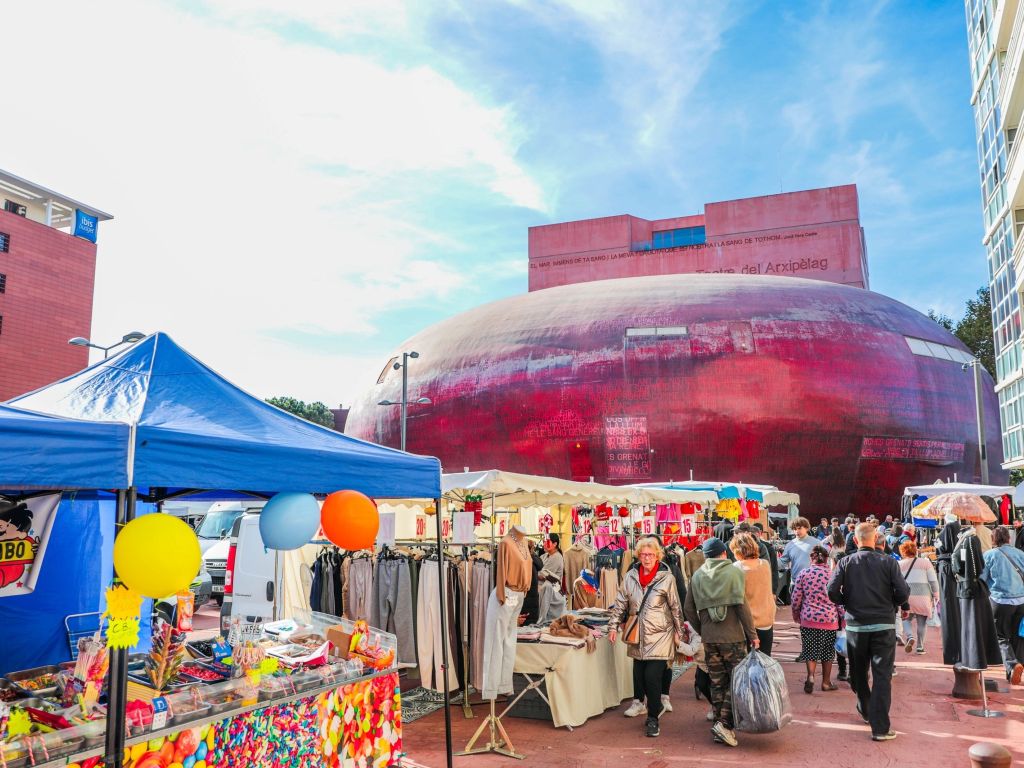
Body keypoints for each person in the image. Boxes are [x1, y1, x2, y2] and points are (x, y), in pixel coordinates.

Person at [827, 523, 910, 742]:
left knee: (858, 672)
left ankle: (865, 708)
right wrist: (893, 603)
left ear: (855, 540)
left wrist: (847, 602)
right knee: (882, 675)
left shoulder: (846, 562)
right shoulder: (889, 563)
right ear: (875, 539)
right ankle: (880, 727)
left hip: (856, 626)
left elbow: (831, 590)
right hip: (883, 625)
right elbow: (902, 592)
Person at [684, 537, 758, 748]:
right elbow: (742, 606)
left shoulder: (697, 575)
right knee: (737, 682)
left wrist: (702, 629)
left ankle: (719, 723)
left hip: (709, 638)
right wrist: (752, 634)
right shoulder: (734, 572)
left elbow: (688, 609)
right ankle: (725, 725)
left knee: (717, 683)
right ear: (724, 553)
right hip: (733, 636)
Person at [610, 536, 684, 738]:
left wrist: (680, 631)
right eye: (643, 554)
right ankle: (652, 706)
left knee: (652, 677)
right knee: (640, 676)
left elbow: (675, 607)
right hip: (637, 635)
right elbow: (620, 603)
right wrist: (613, 626)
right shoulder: (630, 576)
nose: (647, 558)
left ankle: (653, 719)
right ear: (638, 556)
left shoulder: (666, 577)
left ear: (658, 555)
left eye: (651, 554)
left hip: (661, 634)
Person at [792, 545, 842, 693]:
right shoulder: (833, 574)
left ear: (811, 558)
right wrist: (842, 618)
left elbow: (796, 598)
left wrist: (796, 614)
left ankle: (811, 677)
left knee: (810, 650)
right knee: (827, 653)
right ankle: (826, 683)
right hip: (830, 619)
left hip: (809, 618)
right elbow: (838, 599)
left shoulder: (804, 573)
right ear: (827, 558)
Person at [981, 526, 1024, 685]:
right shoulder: (1020, 554)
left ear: (993, 540)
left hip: (1000, 601)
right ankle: (1015, 666)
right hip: (1022, 601)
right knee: (1018, 635)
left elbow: (982, 579)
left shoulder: (989, 555)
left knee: (1001, 636)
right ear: (1009, 538)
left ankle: (1012, 665)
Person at [730, 533, 776, 655]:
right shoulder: (765, 564)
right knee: (764, 660)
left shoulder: (736, 568)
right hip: (766, 619)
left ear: (738, 551)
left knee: (745, 664)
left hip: (746, 623)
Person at [897, 539, 939, 655]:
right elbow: (933, 580)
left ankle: (910, 636)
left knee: (906, 619)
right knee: (922, 622)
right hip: (923, 596)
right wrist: (936, 594)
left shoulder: (899, 564)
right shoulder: (925, 563)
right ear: (915, 551)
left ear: (903, 552)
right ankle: (920, 647)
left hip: (907, 596)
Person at [537, 533, 567, 623]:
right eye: (544, 542)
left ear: (555, 544)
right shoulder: (545, 556)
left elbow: (543, 574)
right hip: (543, 586)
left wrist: (536, 573)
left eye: (548, 542)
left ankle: (542, 620)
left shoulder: (557, 557)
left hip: (553, 589)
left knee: (547, 586)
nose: (545, 544)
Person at [781, 517, 817, 582]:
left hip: (812, 583)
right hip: (795, 582)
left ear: (806, 528)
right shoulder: (790, 544)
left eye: (799, 528)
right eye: (794, 529)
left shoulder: (816, 543)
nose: (797, 531)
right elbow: (783, 562)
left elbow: (824, 562)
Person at [750, 522, 781, 596]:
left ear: (759, 533)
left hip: (764, 586)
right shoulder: (745, 546)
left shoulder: (767, 547)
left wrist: (773, 591)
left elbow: (773, 569)